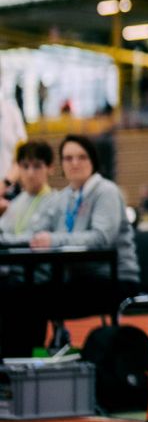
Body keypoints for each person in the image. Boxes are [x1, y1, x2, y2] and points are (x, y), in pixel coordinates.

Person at [15, 134, 140, 345]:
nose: (74, 163)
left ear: (92, 161)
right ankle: (19, 362)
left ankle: (29, 360)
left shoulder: (106, 192)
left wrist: (53, 241)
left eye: (81, 157)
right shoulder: (64, 197)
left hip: (113, 278)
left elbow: (101, 238)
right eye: (68, 158)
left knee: (32, 301)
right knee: (20, 294)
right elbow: (37, 233)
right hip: (77, 279)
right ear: (61, 164)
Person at [0, 140, 64, 359]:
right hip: (10, 275)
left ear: (50, 168)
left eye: (37, 166)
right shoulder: (15, 203)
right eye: (25, 167)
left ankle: (16, 363)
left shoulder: (56, 201)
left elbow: (35, 239)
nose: (30, 173)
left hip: (38, 280)